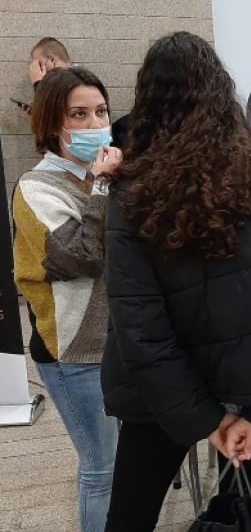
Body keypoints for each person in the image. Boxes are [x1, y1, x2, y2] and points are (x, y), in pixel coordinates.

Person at [100, 31, 251, 532]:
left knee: (129, 519)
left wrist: (204, 419)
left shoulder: (132, 193)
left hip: (157, 399)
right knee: (245, 516)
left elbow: (141, 328)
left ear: (148, 101)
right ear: (221, 94)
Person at [12, 66, 122, 532]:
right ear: (52, 124)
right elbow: (83, 257)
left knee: (123, 465)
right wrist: (102, 185)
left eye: (100, 111)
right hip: (74, 351)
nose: (94, 124)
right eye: (78, 114)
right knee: (101, 467)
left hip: (119, 343)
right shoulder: (35, 188)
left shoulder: (105, 177)